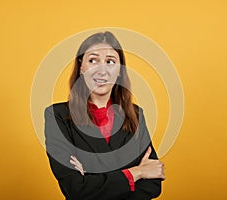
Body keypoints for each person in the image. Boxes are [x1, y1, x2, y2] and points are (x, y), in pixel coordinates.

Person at [44, 31, 165, 200]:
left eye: (110, 61)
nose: (102, 70)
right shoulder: (57, 116)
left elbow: (153, 186)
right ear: (81, 67)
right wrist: (136, 172)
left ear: (119, 71)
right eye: (93, 60)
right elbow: (76, 189)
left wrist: (93, 180)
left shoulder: (136, 115)